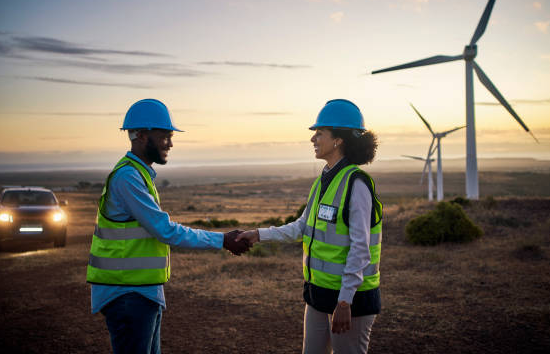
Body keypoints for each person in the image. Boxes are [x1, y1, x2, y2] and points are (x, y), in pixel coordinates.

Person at [86, 98, 249, 354]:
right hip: (127, 294)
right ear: (140, 135)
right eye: (165, 137)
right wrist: (222, 239)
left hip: (141, 292)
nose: (170, 144)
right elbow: (166, 231)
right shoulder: (128, 178)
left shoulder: (138, 175)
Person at [237, 99, 383, 354]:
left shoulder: (356, 184)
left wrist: (346, 301)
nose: (313, 139)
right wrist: (258, 234)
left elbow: (361, 249)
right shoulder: (323, 181)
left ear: (338, 139)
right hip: (318, 294)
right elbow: (301, 227)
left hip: (350, 300)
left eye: (319, 133)